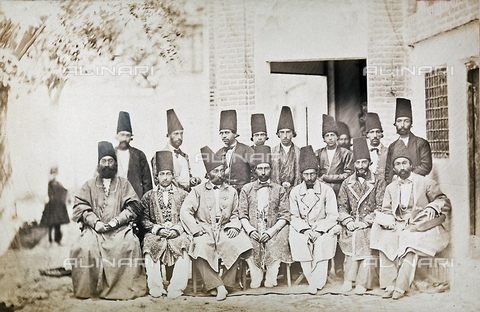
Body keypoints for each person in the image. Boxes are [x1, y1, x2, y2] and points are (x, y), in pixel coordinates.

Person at [370, 144, 450, 299]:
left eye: (404, 163)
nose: (402, 167)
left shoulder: (425, 182)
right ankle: (389, 284)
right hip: (399, 224)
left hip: (421, 226)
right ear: (394, 168)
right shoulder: (391, 188)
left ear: (411, 165)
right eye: (398, 164)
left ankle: (400, 286)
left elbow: (442, 199)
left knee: (409, 241)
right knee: (384, 237)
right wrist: (388, 219)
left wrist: (433, 207)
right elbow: (386, 209)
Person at [70, 141, 147, 299]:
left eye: (110, 161)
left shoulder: (124, 184)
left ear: (115, 163)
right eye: (103, 161)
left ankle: (123, 290)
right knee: (84, 248)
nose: (107, 164)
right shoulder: (89, 185)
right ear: (98, 164)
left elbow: (133, 207)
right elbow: (80, 207)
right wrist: (95, 222)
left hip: (118, 229)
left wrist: (117, 221)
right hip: (94, 229)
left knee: (130, 244)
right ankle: (87, 291)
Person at [180, 146, 252, 300]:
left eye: (221, 170)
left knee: (237, 242)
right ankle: (219, 286)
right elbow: (185, 211)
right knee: (199, 246)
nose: (220, 175)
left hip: (225, 228)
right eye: (215, 171)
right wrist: (196, 230)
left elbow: (236, 213)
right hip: (204, 228)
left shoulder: (232, 191)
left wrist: (234, 226)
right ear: (207, 174)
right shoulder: (197, 191)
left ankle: (224, 285)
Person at [239, 145, 292, 289]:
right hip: (252, 227)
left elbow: (285, 215)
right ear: (254, 170)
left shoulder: (279, 189)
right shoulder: (246, 189)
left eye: (266, 168)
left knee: (277, 242)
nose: (263, 172)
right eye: (260, 168)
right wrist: (250, 230)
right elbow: (242, 214)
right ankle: (256, 275)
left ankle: (271, 275)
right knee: (249, 242)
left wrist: (271, 231)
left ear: (271, 169)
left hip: (274, 229)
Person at [338, 137, 386, 295]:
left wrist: (366, 222)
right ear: (353, 164)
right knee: (354, 235)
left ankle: (361, 282)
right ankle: (349, 280)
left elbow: (381, 206)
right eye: (357, 163)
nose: (360, 166)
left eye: (364, 162)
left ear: (369, 163)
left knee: (364, 237)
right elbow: (342, 206)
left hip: (370, 224)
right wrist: (348, 221)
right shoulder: (347, 183)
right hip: (353, 223)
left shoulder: (378, 181)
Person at [289, 145, 339, 294]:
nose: (309, 178)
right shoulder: (295, 192)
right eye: (306, 174)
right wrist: (305, 230)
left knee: (323, 242)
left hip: (322, 227)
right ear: (301, 175)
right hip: (303, 228)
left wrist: (318, 230)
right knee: (298, 240)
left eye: (312, 174)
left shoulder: (327, 190)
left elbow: (332, 215)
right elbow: (293, 216)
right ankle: (313, 280)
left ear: (317, 173)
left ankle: (317, 281)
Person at [140, 151, 190, 298]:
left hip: (177, 233)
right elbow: (144, 219)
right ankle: (155, 286)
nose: (166, 177)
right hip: (157, 234)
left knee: (184, 244)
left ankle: (176, 287)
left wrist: (177, 229)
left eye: (168, 174)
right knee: (148, 244)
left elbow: (188, 217)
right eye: (162, 174)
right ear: (157, 177)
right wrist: (158, 229)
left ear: (173, 175)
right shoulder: (148, 196)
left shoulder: (183, 195)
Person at [385, 98, 432, 184]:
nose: (402, 125)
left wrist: (406, 176)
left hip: (417, 184)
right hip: (398, 185)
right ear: (395, 124)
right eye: (399, 121)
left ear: (411, 123)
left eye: (406, 121)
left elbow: (426, 167)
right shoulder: (392, 146)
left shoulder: (421, 143)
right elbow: (388, 171)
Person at [152, 109, 201, 192]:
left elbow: (187, 178)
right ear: (168, 135)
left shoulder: (184, 156)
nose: (180, 137)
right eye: (176, 134)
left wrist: (192, 180)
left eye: (181, 134)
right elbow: (157, 180)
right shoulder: (160, 155)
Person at [115, 111, 153, 198]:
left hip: (134, 198)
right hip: (115, 198)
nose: (125, 138)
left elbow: (147, 182)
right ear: (117, 136)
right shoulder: (110, 154)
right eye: (122, 135)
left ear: (131, 137)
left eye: (128, 135)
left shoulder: (139, 155)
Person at [216, 110, 254, 193]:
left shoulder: (246, 150)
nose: (224, 136)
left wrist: (249, 189)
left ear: (235, 134)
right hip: (225, 194)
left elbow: (256, 172)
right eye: (221, 133)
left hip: (243, 193)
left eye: (227, 132)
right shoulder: (218, 153)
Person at [315, 114, 354, 196]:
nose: (330, 138)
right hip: (322, 190)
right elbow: (315, 173)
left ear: (337, 137)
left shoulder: (346, 153)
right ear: (324, 139)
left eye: (332, 135)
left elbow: (349, 174)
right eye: (327, 136)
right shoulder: (318, 153)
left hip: (340, 190)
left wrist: (328, 177)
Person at [271, 106, 301, 195]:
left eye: (288, 132)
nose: (285, 136)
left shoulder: (299, 152)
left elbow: (299, 176)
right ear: (278, 134)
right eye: (282, 132)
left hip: (295, 192)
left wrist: (294, 189)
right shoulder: (272, 152)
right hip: (276, 191)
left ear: (293, 134)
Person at [40, 166, 69, 244]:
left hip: (58, 205)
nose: (54, 175)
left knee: (57, 223)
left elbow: (63, 190)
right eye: (53, 173)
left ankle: (57, 239)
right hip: (52, 204)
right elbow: (50, 193)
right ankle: (50, 238)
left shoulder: (58, 183)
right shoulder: (51, 183)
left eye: (55, 173)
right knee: (51, 223)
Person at [365, 112, 388, 181]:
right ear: (367, 135)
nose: (375, 135)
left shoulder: (388, 152)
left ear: (381, 134)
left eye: (378, 132)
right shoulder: (362, 152)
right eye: (372, 132)